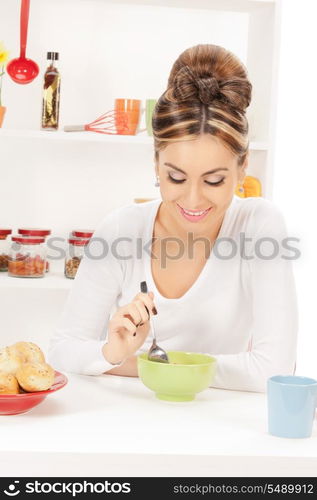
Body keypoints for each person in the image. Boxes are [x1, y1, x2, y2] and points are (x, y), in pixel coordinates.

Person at [48, 44, 298, 392]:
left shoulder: (259, 226)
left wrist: (142, 363)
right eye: (176, 178)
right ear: (156, 164)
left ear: (243, 168)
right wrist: (112, 350)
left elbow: (274, 369)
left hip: (225, 430)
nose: (193, 199)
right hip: (125, 423)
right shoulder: (123, 229)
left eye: (214, 180)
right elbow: (62, 352)